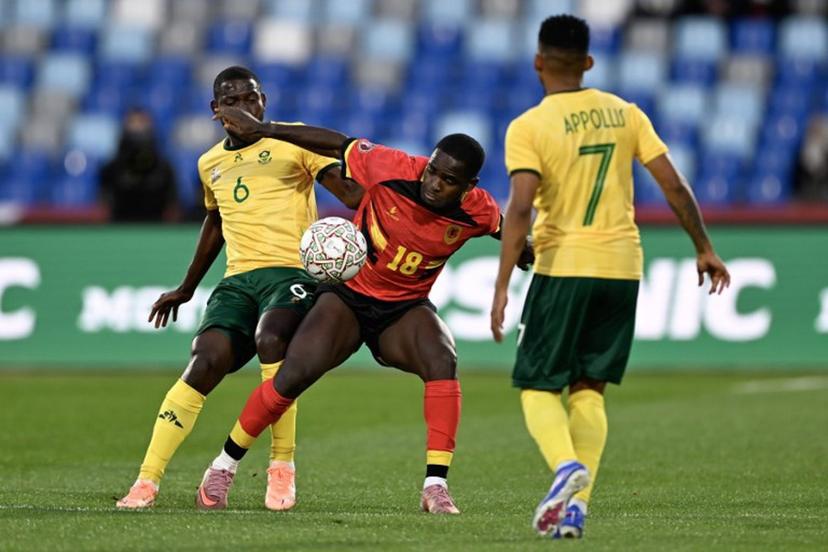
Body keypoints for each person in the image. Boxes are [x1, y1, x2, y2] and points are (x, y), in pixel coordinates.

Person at [192, 106, 531, 513]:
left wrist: (523, 248)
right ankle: (223, 466)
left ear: (468, 185)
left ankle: (435, 487)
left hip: (404, 309)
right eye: (433, 171)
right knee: (292, 376)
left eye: (448, 180)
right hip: (348, 297)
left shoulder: (476, 208)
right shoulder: (393, 167)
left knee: (443, 358)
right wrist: (265, 129)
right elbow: (337, 142)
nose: (435, 184)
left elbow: (502, 225)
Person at [490, 15, 731, 538]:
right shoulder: (625, 113)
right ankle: (577, 508)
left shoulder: (529, 126)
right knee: (589, 388)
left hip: (564, 266)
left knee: (536, 383)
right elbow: (673, 184)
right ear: (589, 63)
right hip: (623, 266)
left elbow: (522, 207)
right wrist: (704, 247)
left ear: (538, 62)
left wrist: (503, 283)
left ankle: (564, 467)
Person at [116, 66, 361, 511]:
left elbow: (348, 193)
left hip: (292, 275)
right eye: (233, 101)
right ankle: (147, 480)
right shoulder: (209, 163)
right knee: (203, 361)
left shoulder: (294, 138)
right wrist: (187, 287)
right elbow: (216, 221)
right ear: (216, 111)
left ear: (263, 101)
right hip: (237, 281)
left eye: (252, 98)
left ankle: (282, 467)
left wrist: (375, 195)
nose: (245, 108)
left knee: (273, 339)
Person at [99, 108, 178, 222]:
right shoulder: (112, 168)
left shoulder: (164, 168)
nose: (137, 128)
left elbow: (173, 204)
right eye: (133, 122)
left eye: (141, 122)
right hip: (119, 226)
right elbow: (104, 202)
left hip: (156, 228)